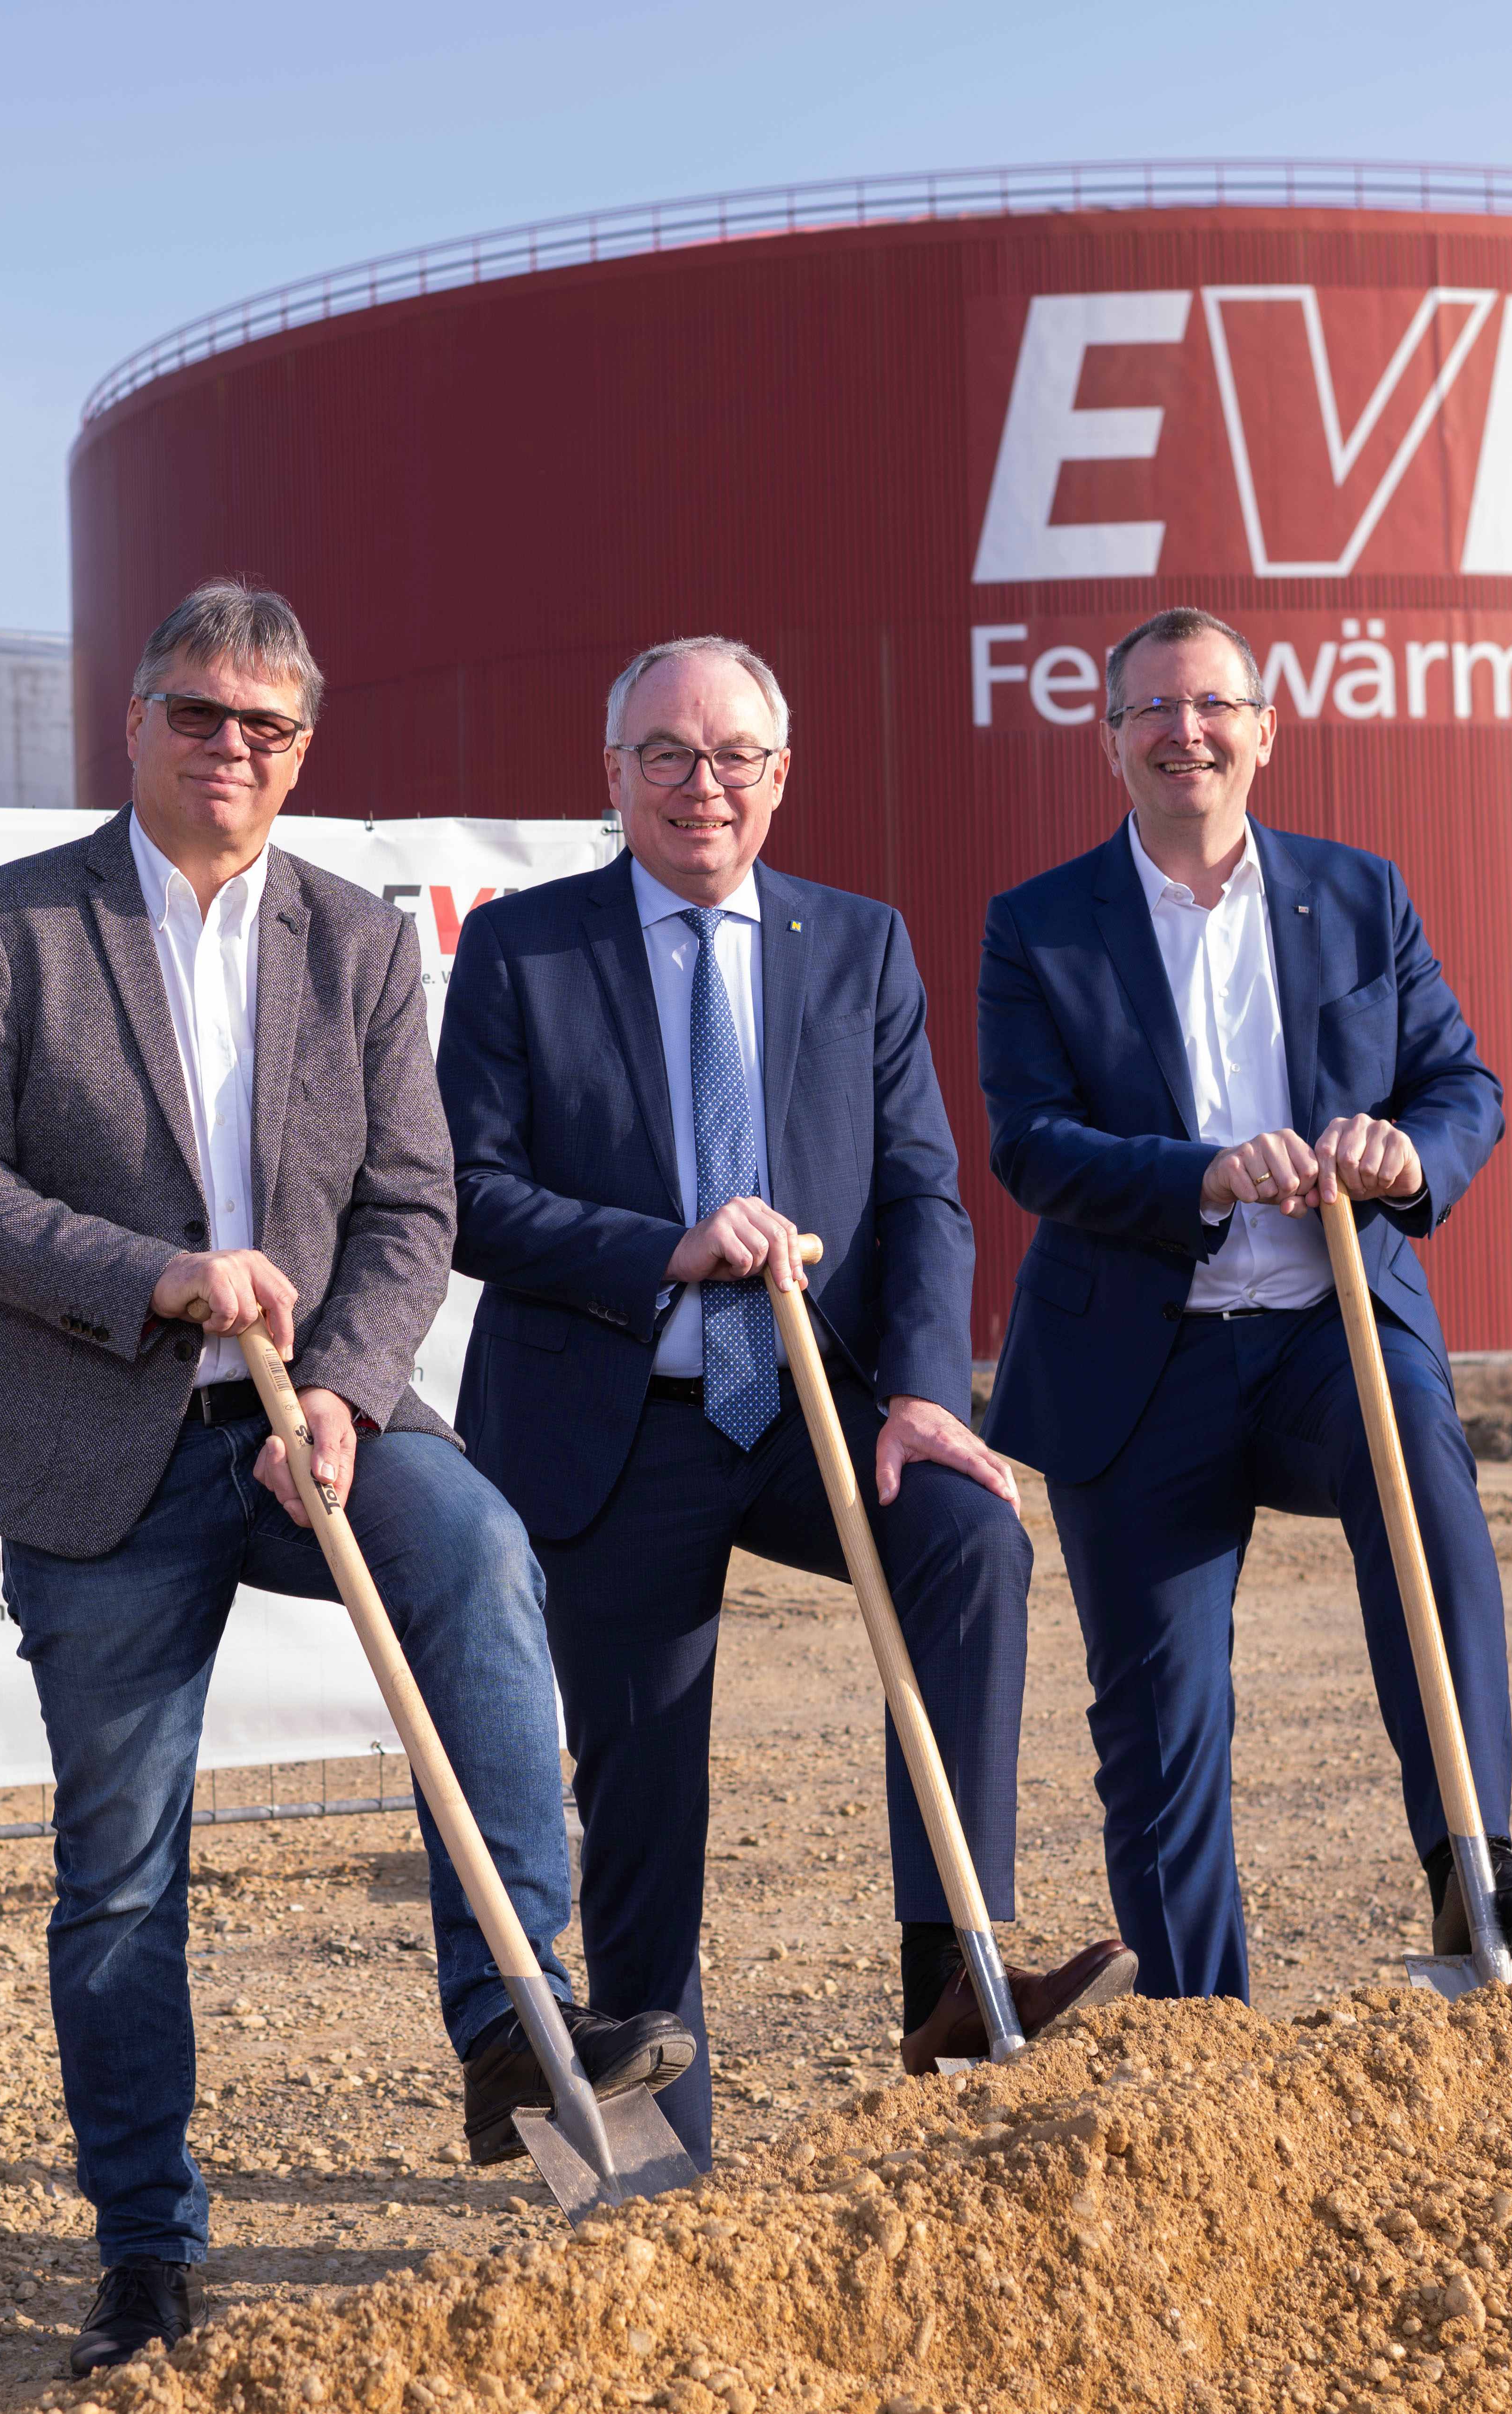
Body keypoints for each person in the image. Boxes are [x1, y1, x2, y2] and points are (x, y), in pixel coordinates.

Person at [0, 580, 688, 2375]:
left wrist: (343, 1388)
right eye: (199, 714)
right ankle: (148, 2252)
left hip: (312, 1423)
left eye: (266, 726)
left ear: (304, 751)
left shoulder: (359, 942)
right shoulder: (13, 922)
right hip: (96, 1445)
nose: (230, 749)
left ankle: (512, 2021)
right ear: (137, 724)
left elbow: (413, 1201)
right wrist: (158, 1276)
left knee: (477, 1558)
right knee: (120, 1870)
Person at [438, 634, 1133, 2163]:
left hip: (823, 1410)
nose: (704, 785)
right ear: (613, 774)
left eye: (735, 755)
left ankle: (950, 1975)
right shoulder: (522, 951)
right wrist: (664, 1248)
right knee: (645, 1796)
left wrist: (927, 1395)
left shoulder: (860, 944)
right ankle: (658, 2153)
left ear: (781, 774)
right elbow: (468, 1196)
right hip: (615, 1427)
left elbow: (926, 1192)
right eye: (667, 755)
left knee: (971, 1542)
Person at [973, 604, 1512, 2004]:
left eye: (1213, 706)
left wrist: (1408, 1154)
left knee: (1421, 1463)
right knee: (1163, 1720)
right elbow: (1031, 1144)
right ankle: (1204, 2028)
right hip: (1139, 1362)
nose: (1185, 733)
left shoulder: (1361, 895)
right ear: (1110, 741)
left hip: (1335, 1335)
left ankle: (1473, 1870)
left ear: (1265, 733)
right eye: (1152, 710)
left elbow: (1462, 1085)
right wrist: (1199, 1175)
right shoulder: (1039, 927)